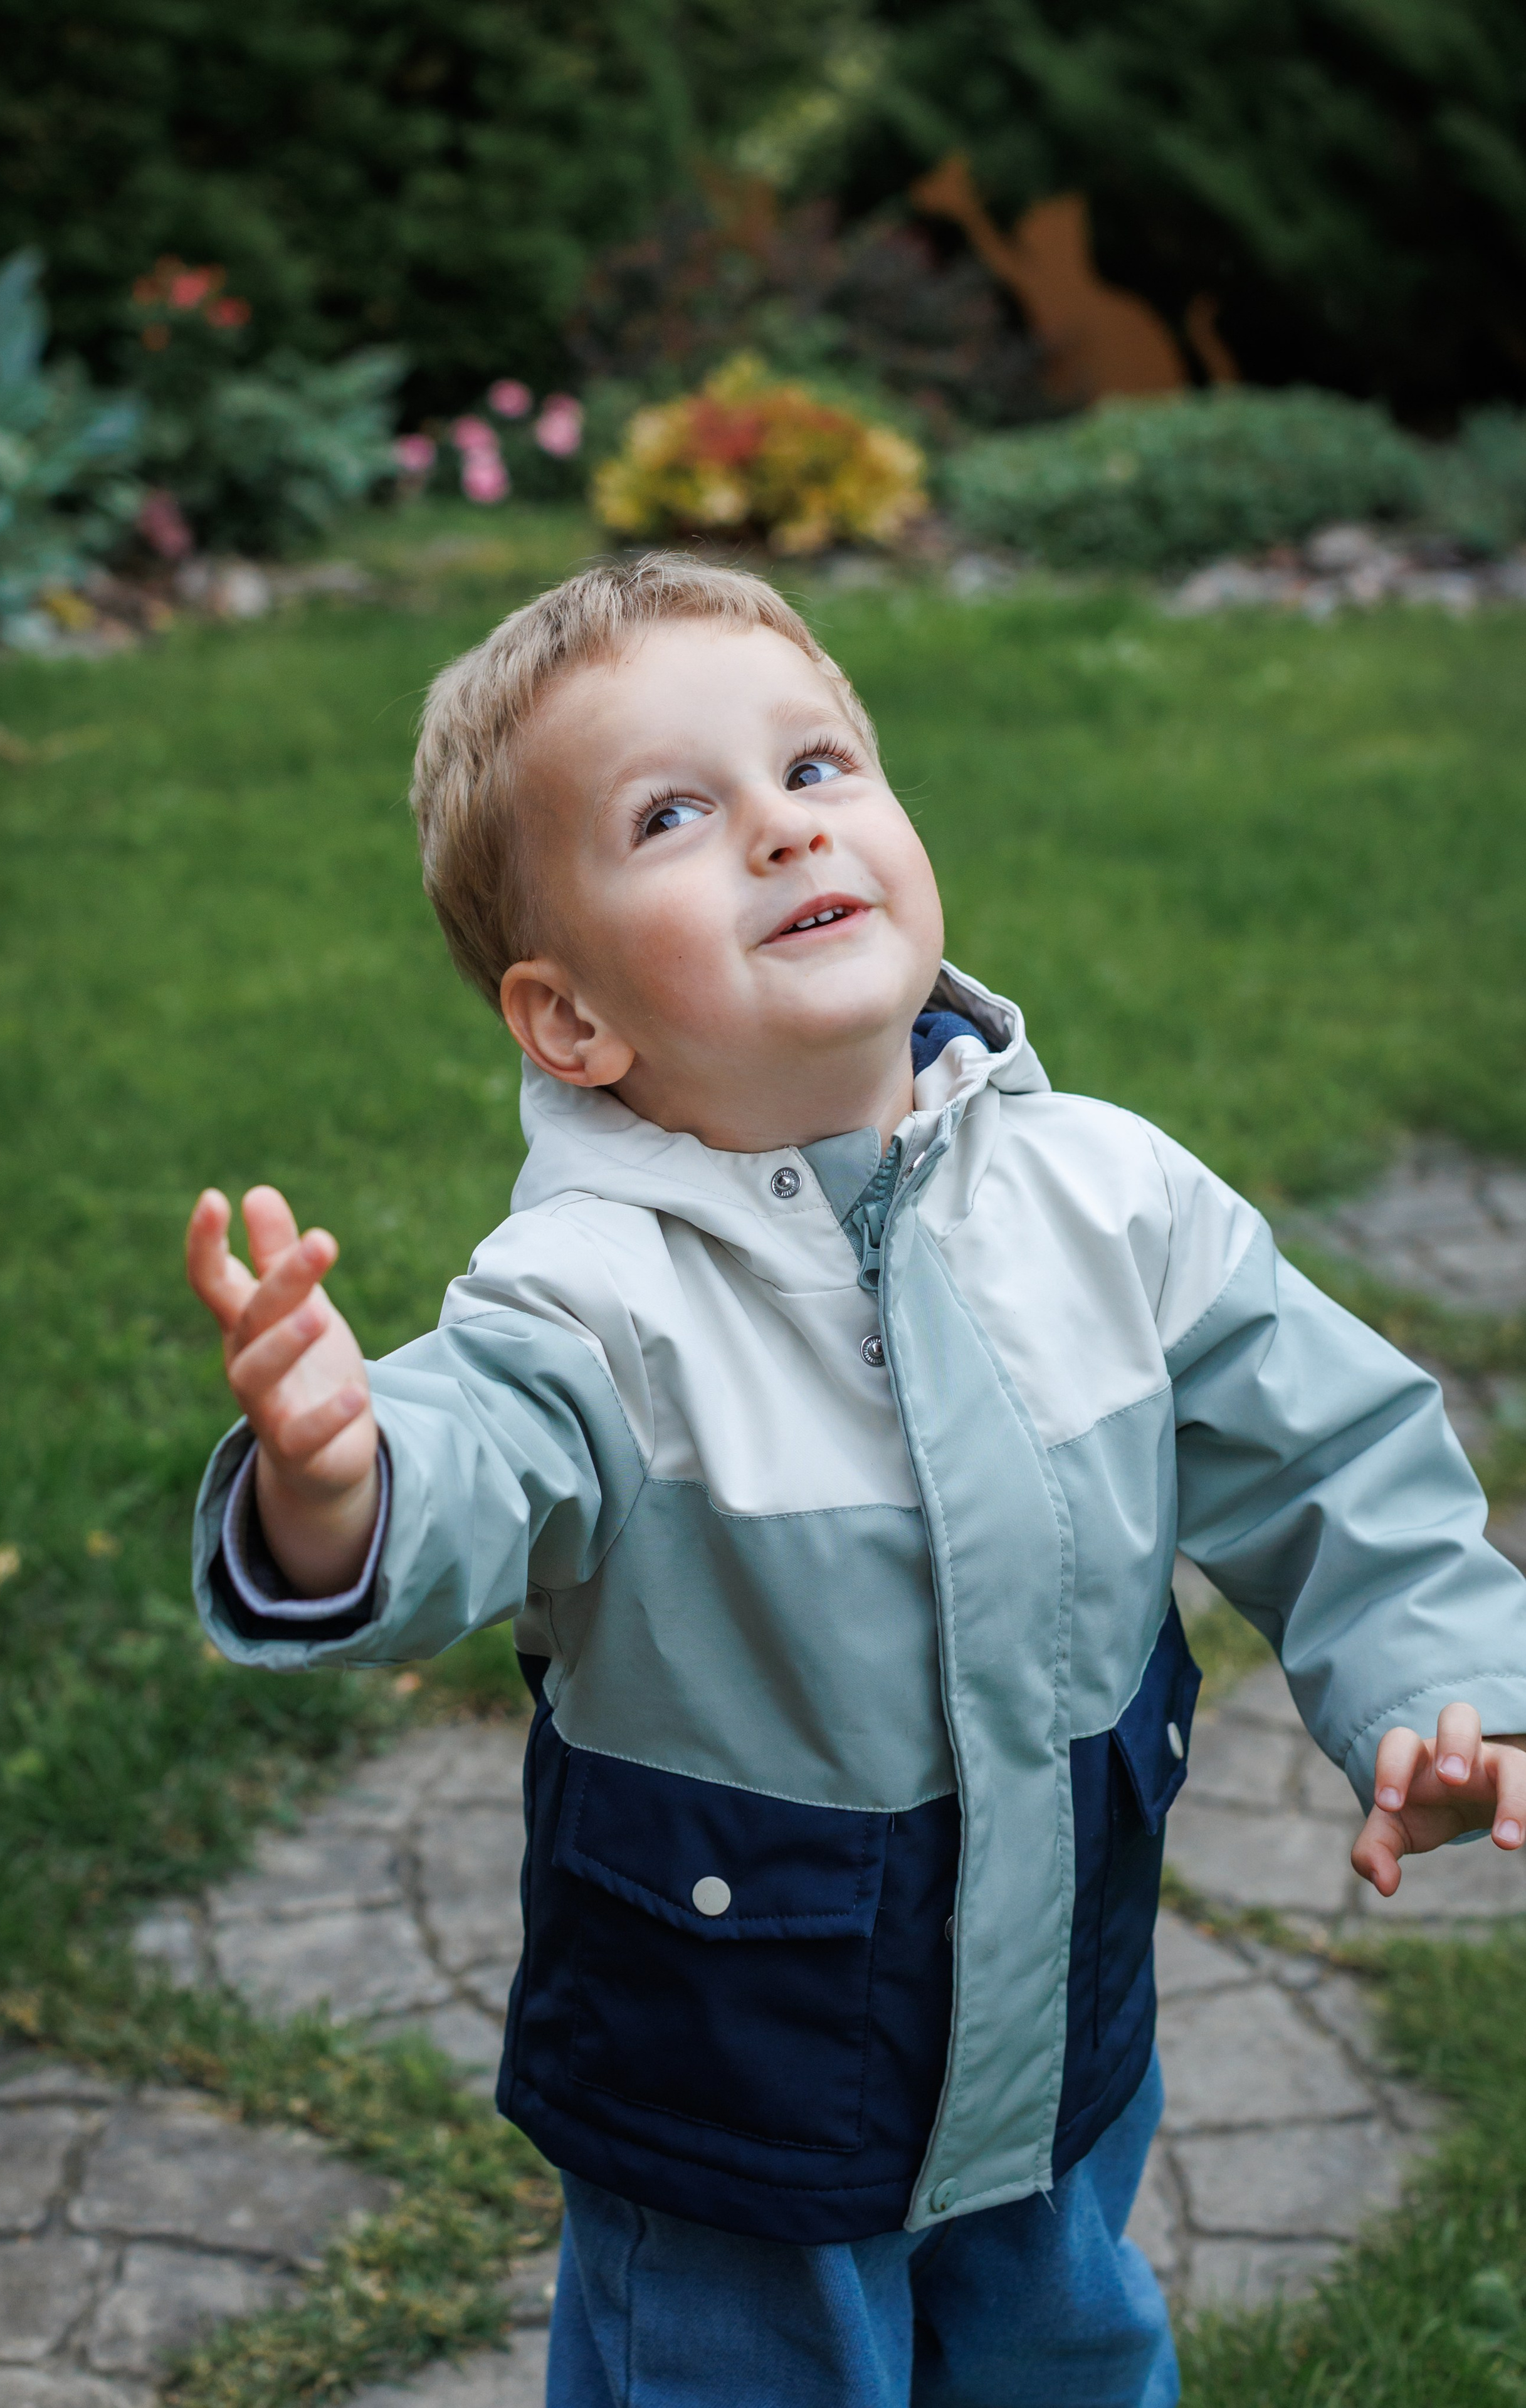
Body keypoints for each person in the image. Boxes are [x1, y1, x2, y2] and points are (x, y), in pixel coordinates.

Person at [186, 554, 1526, 2407]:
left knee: (1072, 2358)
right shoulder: (594, 1294)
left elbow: (1334, 1455)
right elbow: (468, 1459)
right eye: (672, 815)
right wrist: (335, 1481)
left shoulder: (1114, 1202)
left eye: (817, 766)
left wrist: (1448, 1683)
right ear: (570, 1021)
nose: (781, 827)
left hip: (1052, 2035)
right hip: (728, 2079)